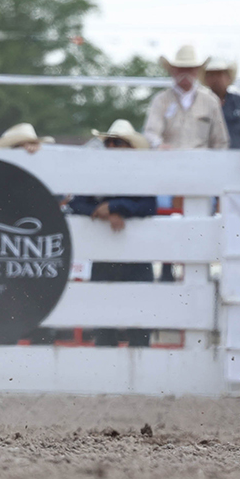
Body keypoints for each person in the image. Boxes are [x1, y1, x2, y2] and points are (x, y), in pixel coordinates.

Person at [67, 119, 157, 348]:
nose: (112, 147)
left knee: (139, 319)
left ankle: (141, 376)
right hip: (106, 254)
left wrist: (116, 207)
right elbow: (78, 204)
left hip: (135, 256)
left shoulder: (141, 174)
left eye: (117, 142)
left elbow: (149, 205)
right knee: (104, 320)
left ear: (130, 147)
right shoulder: (97, 173)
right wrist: (104, 211)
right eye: (109, 143)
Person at [142, 45, 227, 150]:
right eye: (181, 69)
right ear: (173, 71)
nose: (185, 73)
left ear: (197, 71)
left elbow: (220, 140)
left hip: (201, 162)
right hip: (169, 160)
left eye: (189, 69)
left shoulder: (210, 101)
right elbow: (151, 132)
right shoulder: (161, 100)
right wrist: (159, 144)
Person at [204, 58, 240, 150]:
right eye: (211, 75)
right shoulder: (199, 104)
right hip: (208, 159)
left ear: (228, 78)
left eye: (220, 74)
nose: (216, 79)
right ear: (206, 79)